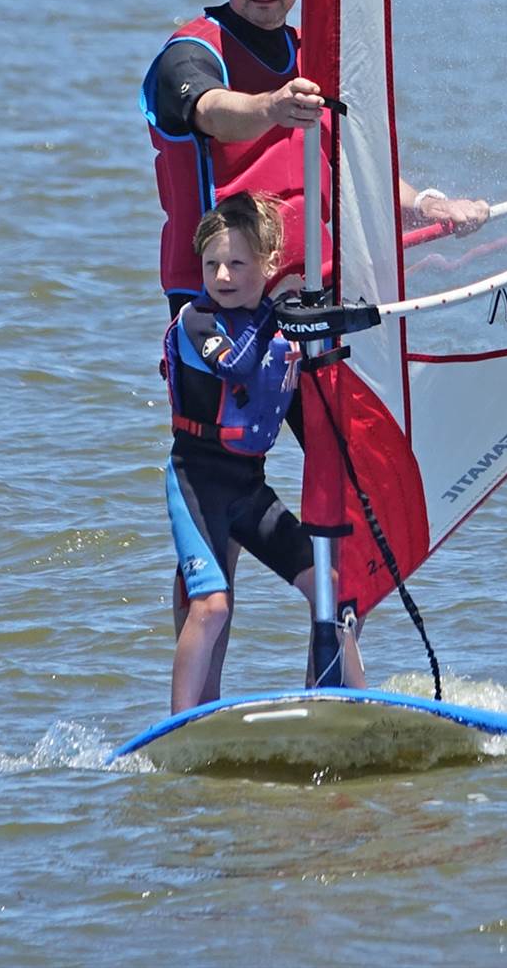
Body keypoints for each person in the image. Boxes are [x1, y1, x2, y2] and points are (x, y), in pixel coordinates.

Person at [143, 0, 488, 317]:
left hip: (313, 288)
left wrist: (427, 206)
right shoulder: (188, 54)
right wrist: (271, 108)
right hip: (217, 297)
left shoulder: (319, 55)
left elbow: (352, 165)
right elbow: (212, 112)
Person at [161, 193, 367, 712]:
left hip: (248, 487)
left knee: (331, 589)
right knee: (211, 607)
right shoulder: (197, 321)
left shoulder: (277, 331)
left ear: (268, 264)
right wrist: (276, 313)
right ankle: (180, 727)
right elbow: (235, 367)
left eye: (237, 263)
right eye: (212, 264)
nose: (222, 276)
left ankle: (353, 706)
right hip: (197, 481)